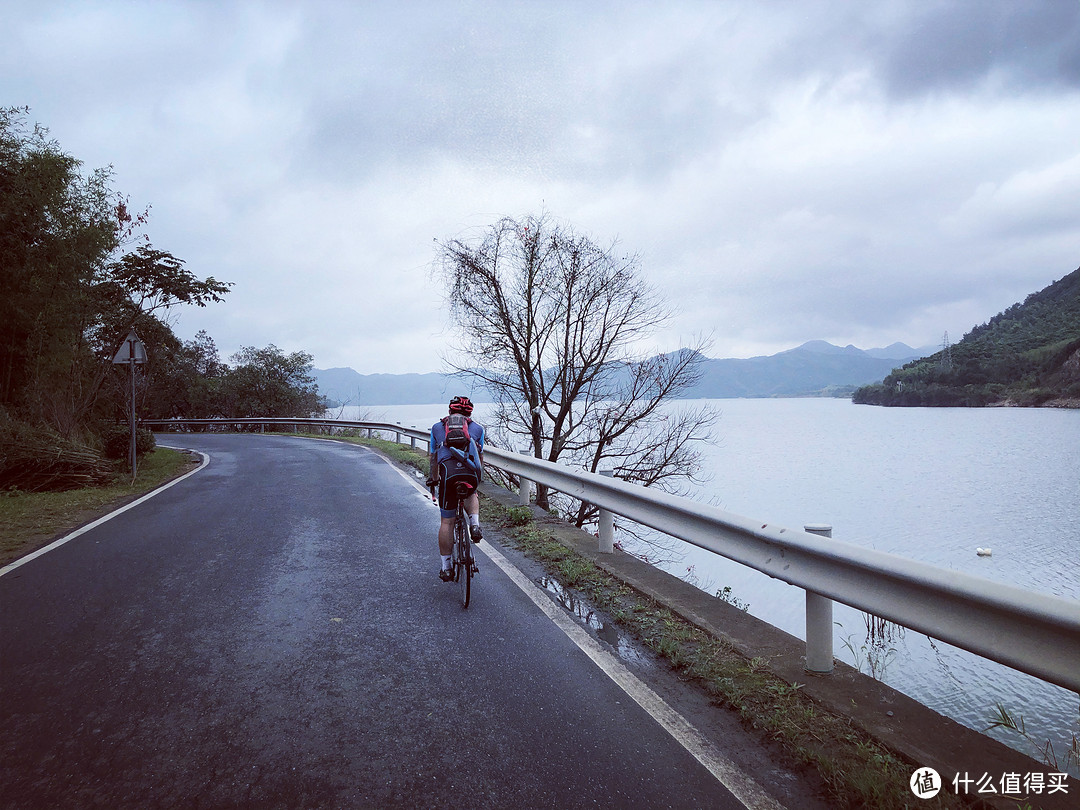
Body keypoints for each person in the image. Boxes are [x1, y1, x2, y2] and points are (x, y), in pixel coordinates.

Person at [426, 396, 485, 582]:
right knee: (472, 492)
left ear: (450, 411)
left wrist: (434, 479)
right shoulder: (477, 429)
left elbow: (434, 458)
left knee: (447, 522)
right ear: (469, 413)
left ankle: (447, 568)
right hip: (469, 475)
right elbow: (480, 458)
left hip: (448, 476)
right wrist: (478, 478)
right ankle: (474, 524)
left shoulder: (437, 428)